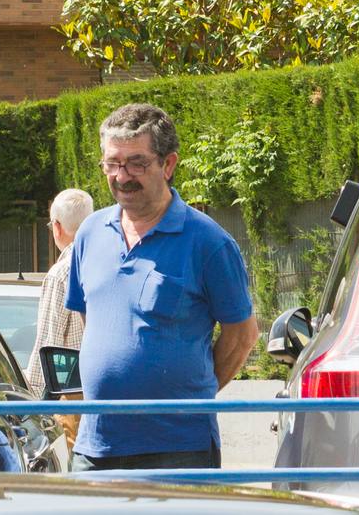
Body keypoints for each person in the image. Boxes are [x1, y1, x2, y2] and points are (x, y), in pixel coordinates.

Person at [64, 103, 259, 471]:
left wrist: (189, 398)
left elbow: (243, 335)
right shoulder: (90, 233)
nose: (122, 177)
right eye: (112, 163)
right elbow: (94, 323)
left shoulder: (208, 243)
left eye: (136, 163)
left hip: (178, 449)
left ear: (168, 165)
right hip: (96, 447)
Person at [26, 188, 92, 391]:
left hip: (75, 393)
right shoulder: (109, 262)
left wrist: (33, 397)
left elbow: (48, 344)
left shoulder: (61, 274)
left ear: (57, 227)